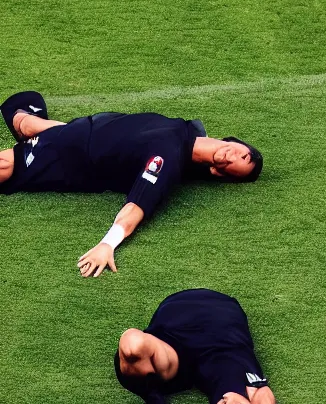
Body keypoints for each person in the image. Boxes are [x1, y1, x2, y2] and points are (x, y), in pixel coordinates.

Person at [0, 91, 263, 277]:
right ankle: (30, 124)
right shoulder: (188, 129)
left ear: (218, 173)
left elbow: (137, 204)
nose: (233, 158)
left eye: (233, 167)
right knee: (23, 120)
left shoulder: (167, 160)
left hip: (72, 159)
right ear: (234, 141)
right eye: (242, 154)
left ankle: (32, 129)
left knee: (7, 164)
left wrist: (107, 244)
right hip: (84, 128)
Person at [114, 288, 279, 404]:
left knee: (132, 343)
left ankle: (151, 396)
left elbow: (132, 342)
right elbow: (264, 396)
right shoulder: (252, 386)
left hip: (177, 331)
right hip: (221, 307)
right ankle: (151, 393)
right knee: (133, 346)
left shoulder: (189, 373)